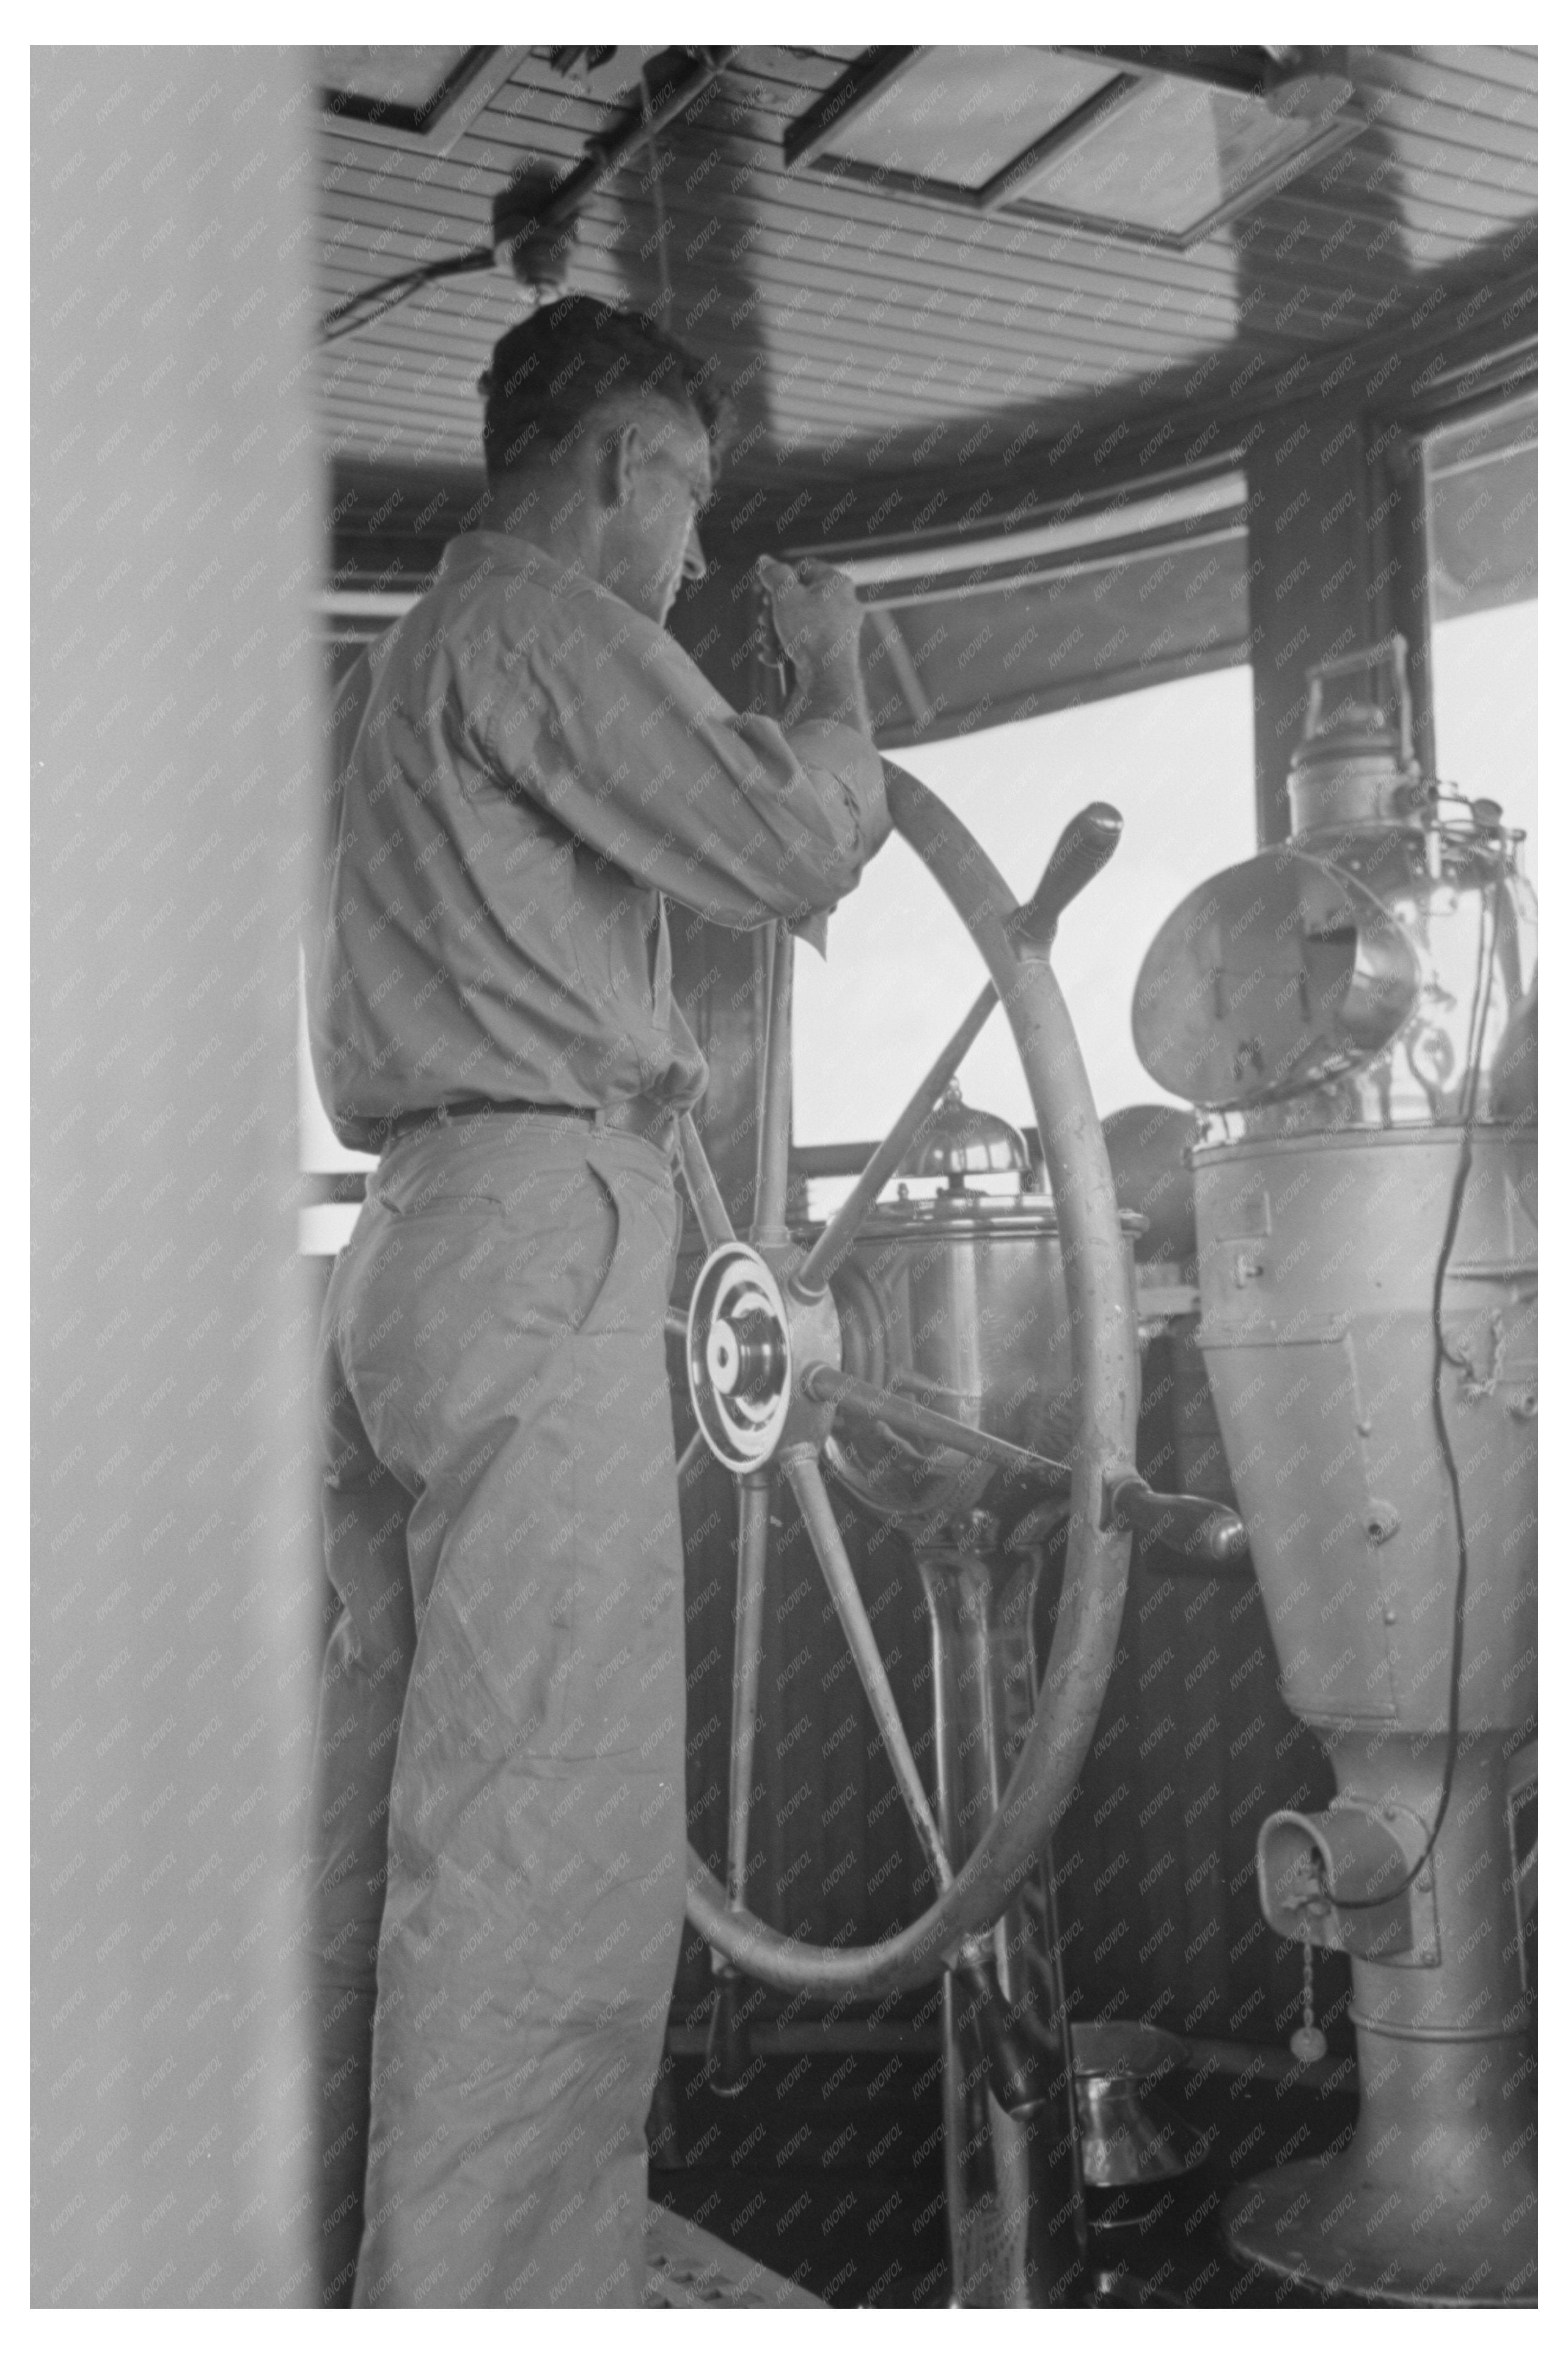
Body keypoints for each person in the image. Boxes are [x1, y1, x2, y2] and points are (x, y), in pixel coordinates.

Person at [304, 295, 888, 2309]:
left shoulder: (406, 664)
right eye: (695, 501)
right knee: (542, 1850)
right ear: (623, 466)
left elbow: (539, 935)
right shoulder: (550, 628)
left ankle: (330, 2271)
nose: (701, 555)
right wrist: (827, 688)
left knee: (384, 1828)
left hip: (403, 1257)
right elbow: (786, 845)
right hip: (541, 1243)